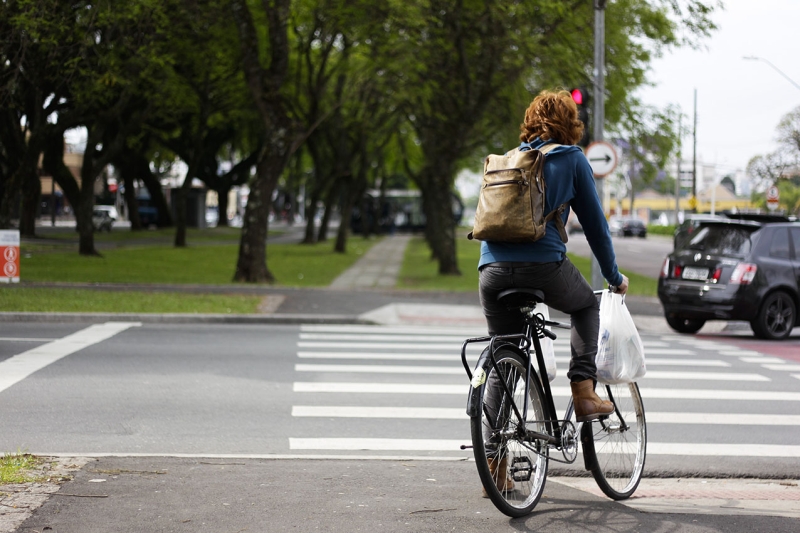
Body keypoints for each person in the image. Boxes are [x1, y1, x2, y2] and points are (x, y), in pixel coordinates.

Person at [477, 89, 629, 494]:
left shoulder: (510, 159)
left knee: (501, 358)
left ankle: (494, 464)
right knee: (584, 307)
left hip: (489, 271)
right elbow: (596, 227)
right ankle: (583, 391)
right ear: (570, 124)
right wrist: (614, 276)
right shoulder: (572, 159)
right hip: (543, 267)